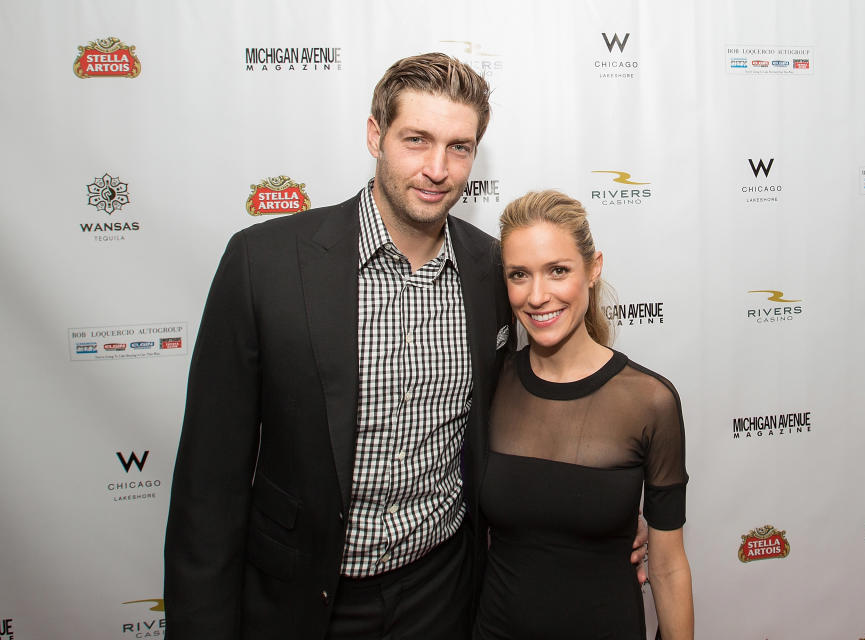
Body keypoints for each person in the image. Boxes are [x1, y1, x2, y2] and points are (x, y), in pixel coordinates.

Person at [163, 53, 514, 639]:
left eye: (459, 147)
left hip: (442, 593)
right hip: (302, 600)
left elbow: (519, 413)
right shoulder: (265, 262)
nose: (437, 168)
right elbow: (209, 479)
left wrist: (591, 511)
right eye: (417, 139)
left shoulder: (491, 269)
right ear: (375, 135)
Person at [473, 190, 694, 640]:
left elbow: (668, 567)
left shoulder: (650, 401)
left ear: (592, 268)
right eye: (519, 275)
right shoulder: (490, 383)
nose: (538, 296)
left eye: (558, 271)